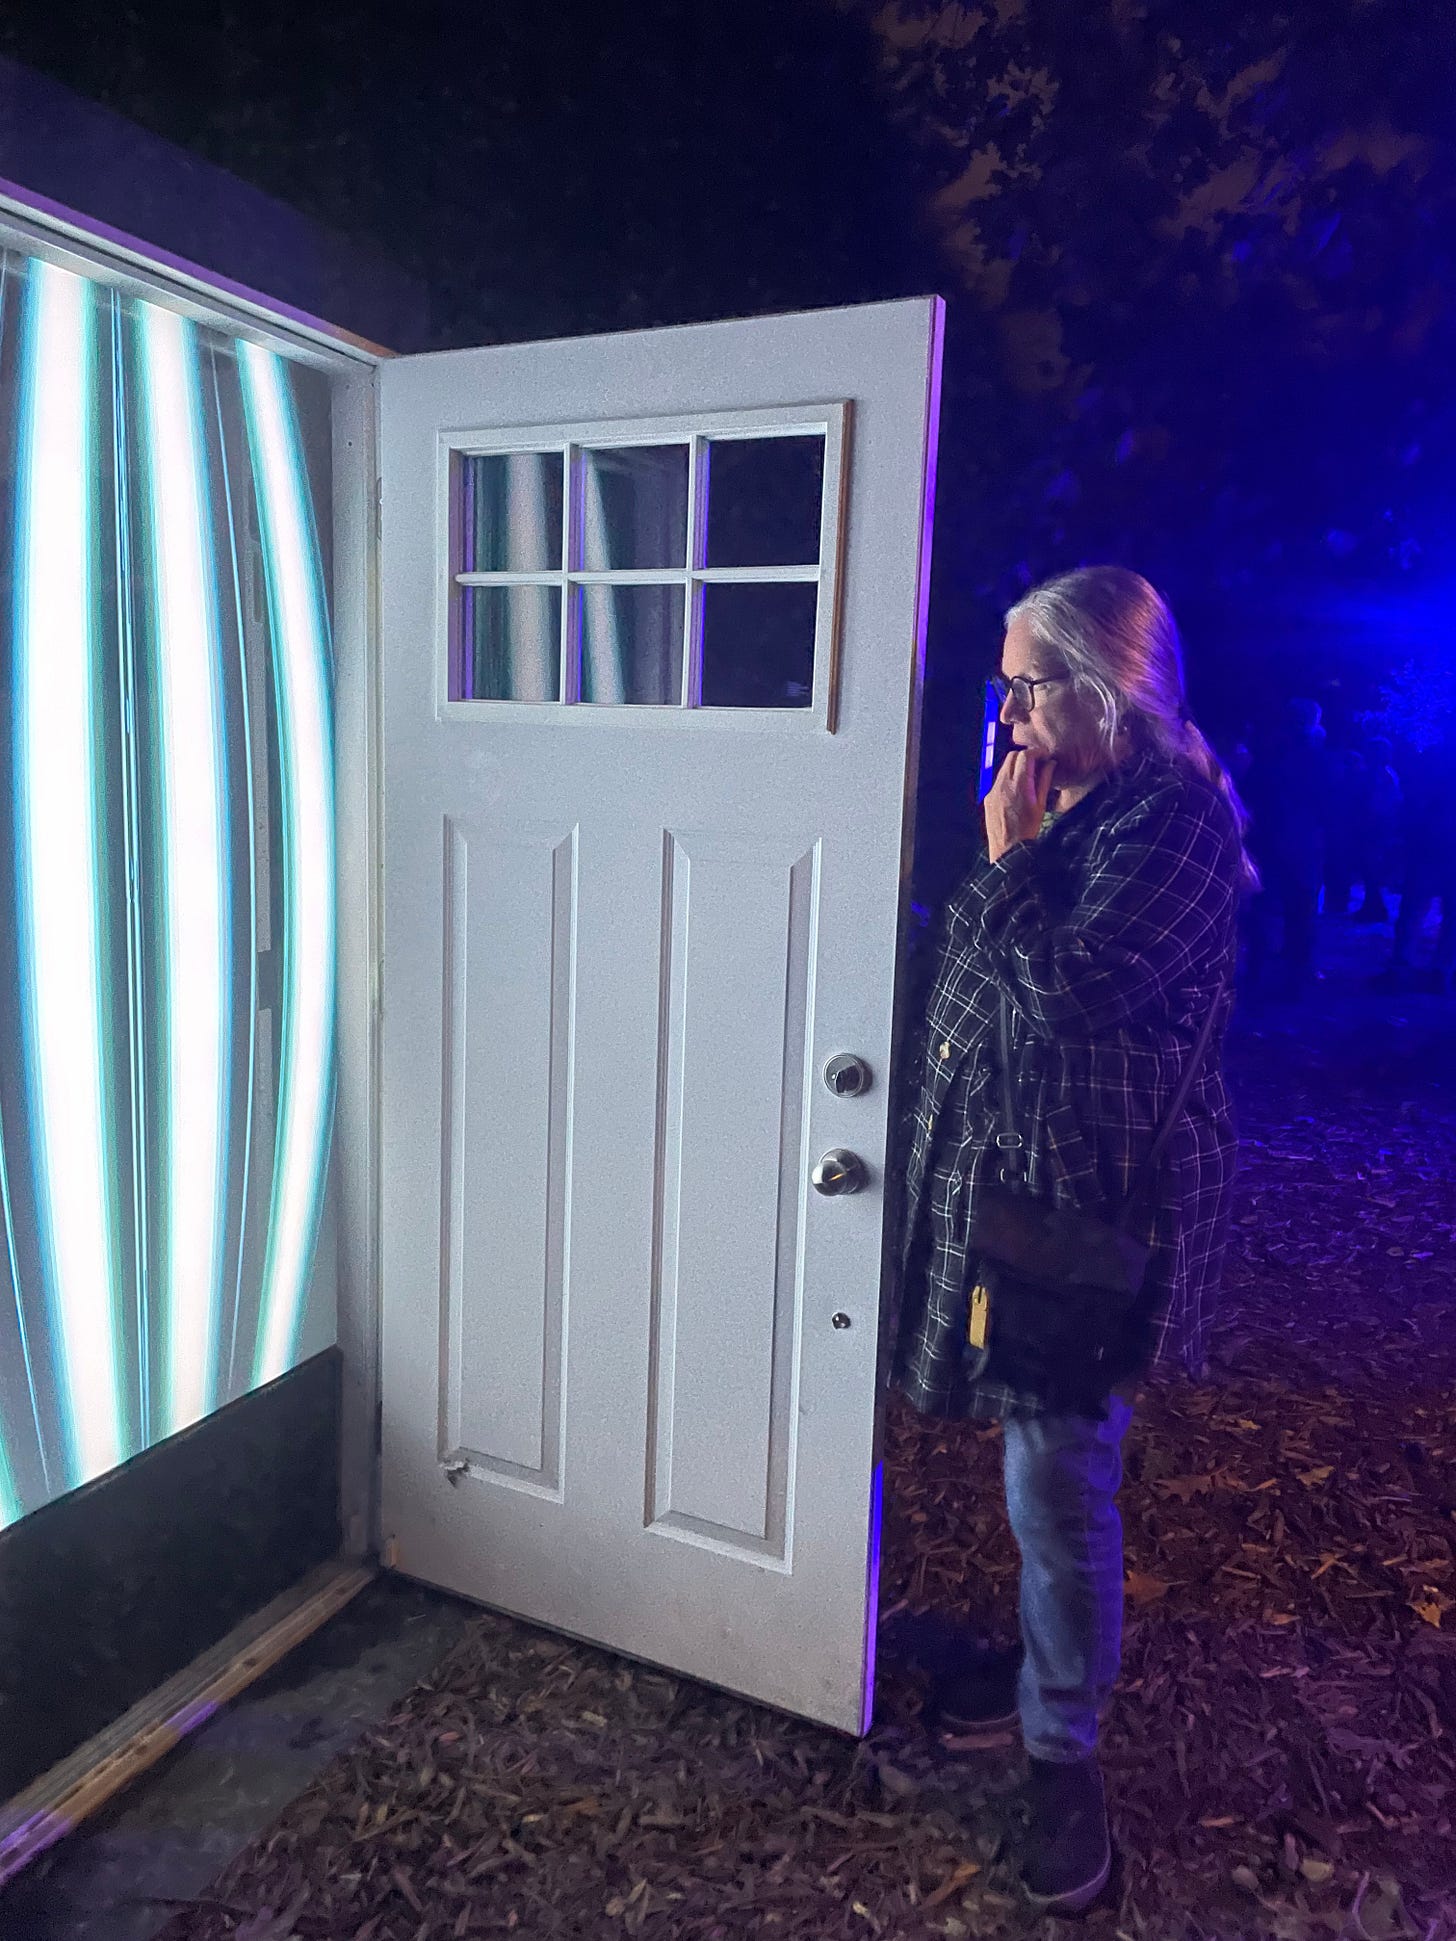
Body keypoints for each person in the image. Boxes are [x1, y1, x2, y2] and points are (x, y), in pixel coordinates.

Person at [894, 567, 1253, 1914]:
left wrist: (1001, 862)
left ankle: (1067, 1759)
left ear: (1109, 688)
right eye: (1006, 685)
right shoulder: (1079, 803)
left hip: (1092, 1216)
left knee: (1058, 1475)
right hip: (1017, 1193)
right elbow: (986, 984)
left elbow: (1066, 993)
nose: (1011, 713)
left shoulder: (1174, 827)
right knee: (1030, 1458)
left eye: (1030, 685)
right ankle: (1042, 1670)